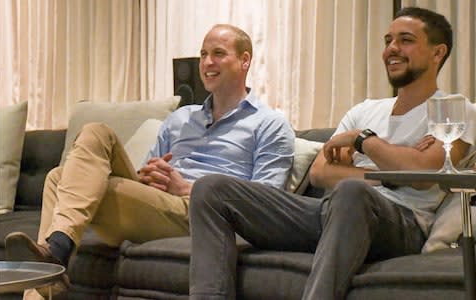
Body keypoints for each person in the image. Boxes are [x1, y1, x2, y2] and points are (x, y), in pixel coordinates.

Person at [188, 7, 475, 300]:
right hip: (333, 214)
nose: (392, 49)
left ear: (437, 52)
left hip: (403, 223)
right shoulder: (364, 109)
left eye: (405, 40)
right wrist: (393, 170)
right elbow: (321, 172)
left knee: (351, 192)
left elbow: (424, 175)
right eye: (388, 40)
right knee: (211, 190)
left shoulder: (454, 110)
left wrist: (363, 141)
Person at [5, 24, 294, 277]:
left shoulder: (269, 124)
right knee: (85, 143)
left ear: (245, 60)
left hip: (200, 212)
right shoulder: (181, 118)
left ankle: (54, 255)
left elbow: (265, 204)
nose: (207, 62)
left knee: (61, 179)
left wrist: (188, 189)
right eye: (203, 54)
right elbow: (142, 177)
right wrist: (148, 176)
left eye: (218, 53)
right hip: (156, 204)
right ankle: (57, 248)